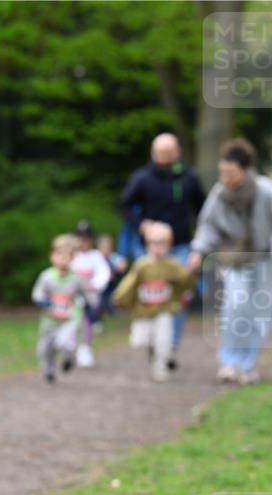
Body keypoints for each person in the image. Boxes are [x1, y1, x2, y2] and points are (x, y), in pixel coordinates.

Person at [188, 138, 272, 385]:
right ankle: (229, 362)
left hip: (264, 260)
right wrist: (198, 250)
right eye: (222, 172)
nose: (225, 177)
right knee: (234, 309)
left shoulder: (265, 191)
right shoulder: (219, 194)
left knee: (258, 313)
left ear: (245, 170)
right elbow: (208, 226)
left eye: (231, 173)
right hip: (234, 261)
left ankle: (247, 364)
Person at [119, 133, 206, 366]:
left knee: (176, 297)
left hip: (180, 247)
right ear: (153, 153)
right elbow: (124, 206)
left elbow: (202, 209)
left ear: (176, 152)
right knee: (150, 294)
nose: (164, 158)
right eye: (160, 153)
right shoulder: (142, 178)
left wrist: (201, 241)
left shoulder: (189, 178)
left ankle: (170, 345)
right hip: (147, 248)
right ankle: (151, 339)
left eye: (168, 153)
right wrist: (142, 225)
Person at [112, 222, 197, 382]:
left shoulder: (172, 265)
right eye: (154, 243)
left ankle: (161, 367)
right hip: (143, 311)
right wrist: (120, 297)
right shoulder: (142, 265)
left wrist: (189, 272)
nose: (158, 248)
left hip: (164, 310)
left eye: (163, 244)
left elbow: (186, 281)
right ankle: (153, 350)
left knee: (164, 340)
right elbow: (130, 283)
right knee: (139, 342)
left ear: (169, 245)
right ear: (148, 244)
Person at [32, 235, 85, 383]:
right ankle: (48, 371)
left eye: (67, 256)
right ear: (52, 256)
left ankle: (68, 359)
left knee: (64, 342)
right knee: (45, 349)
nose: (63, 259)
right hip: (49, 320)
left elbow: (83, 295)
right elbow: (37, 293)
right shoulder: (47, 276)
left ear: (72, 258)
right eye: (59, 255)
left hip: (69, 319)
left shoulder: (76, 279)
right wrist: (42, 300)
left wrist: (86, 305)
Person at [70, 220, 111, 368]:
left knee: (85, 321)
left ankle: (85, 347)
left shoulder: (95, 256)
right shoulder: (72, 256)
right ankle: (72, 347)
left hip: (89, 295)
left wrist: (94, 285)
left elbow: (103, 273)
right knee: (74, 321)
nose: (82, 243)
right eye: (80, 239)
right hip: (73, 296)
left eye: (85, 239)